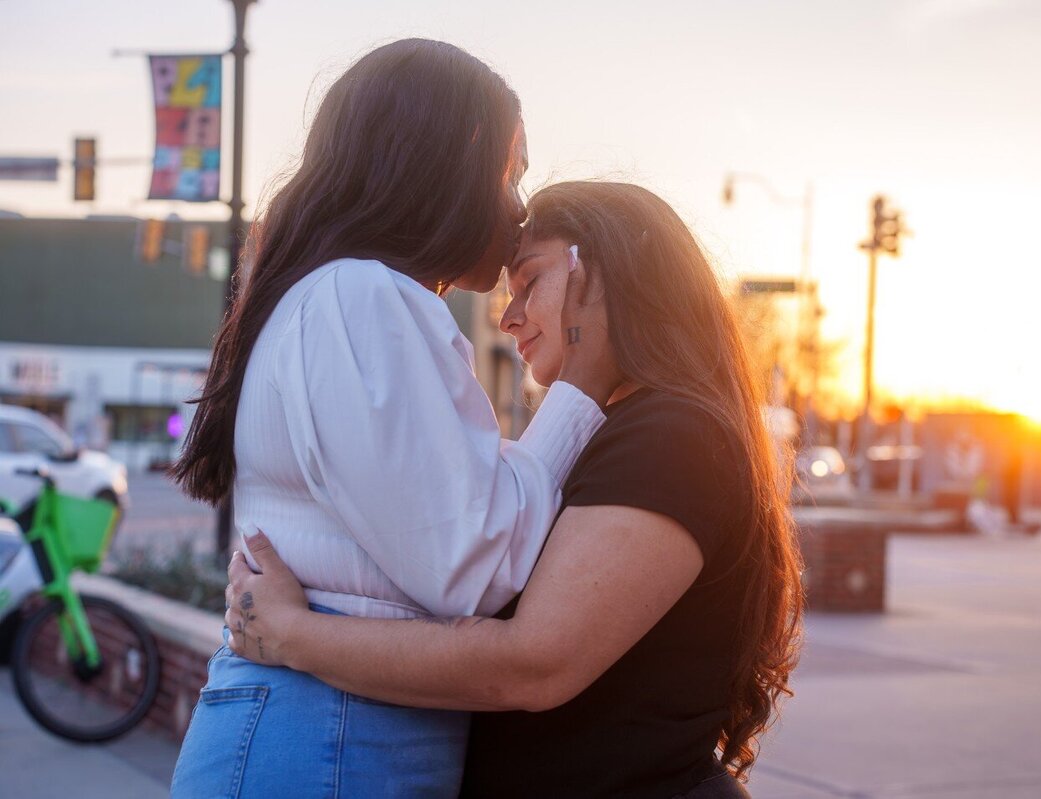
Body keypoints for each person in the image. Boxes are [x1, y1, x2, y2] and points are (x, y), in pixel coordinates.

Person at [226, 182, 806, 798]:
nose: (509, 316)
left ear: (609, 276)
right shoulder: (621, 431)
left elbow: (533, 664)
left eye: (530, 283)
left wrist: (294, 635)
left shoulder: (672, 436)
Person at [168, 41, 617, 798]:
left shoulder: (345, 298)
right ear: (440, 161)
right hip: (330, 736)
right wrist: (583, 387)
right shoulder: (361, 299)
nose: (519, 205)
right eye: (510, 171)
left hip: (332, 729)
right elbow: (473, 568)